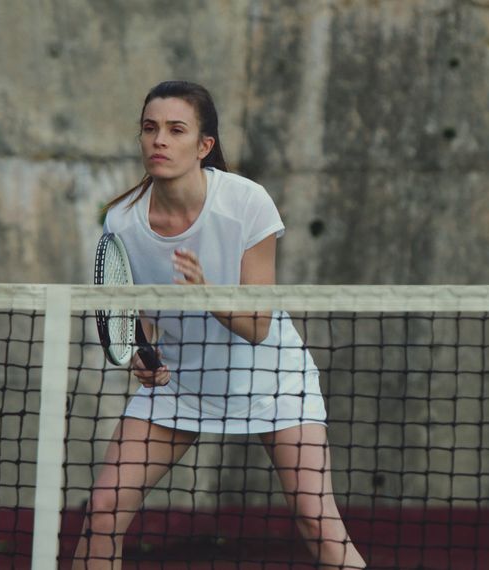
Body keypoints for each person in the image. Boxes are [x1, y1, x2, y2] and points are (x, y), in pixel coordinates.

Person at [73, 81, 366, 569]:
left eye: (175, 129)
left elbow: (257, 323)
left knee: (318, 520)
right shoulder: (121, 221)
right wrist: (143, 358)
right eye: (150, 129)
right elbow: (139, 315)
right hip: (185, 384)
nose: (159, 140)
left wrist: (207, 294)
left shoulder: (247, 203)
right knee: (103, 511)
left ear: (203, 145)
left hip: (274, 379)